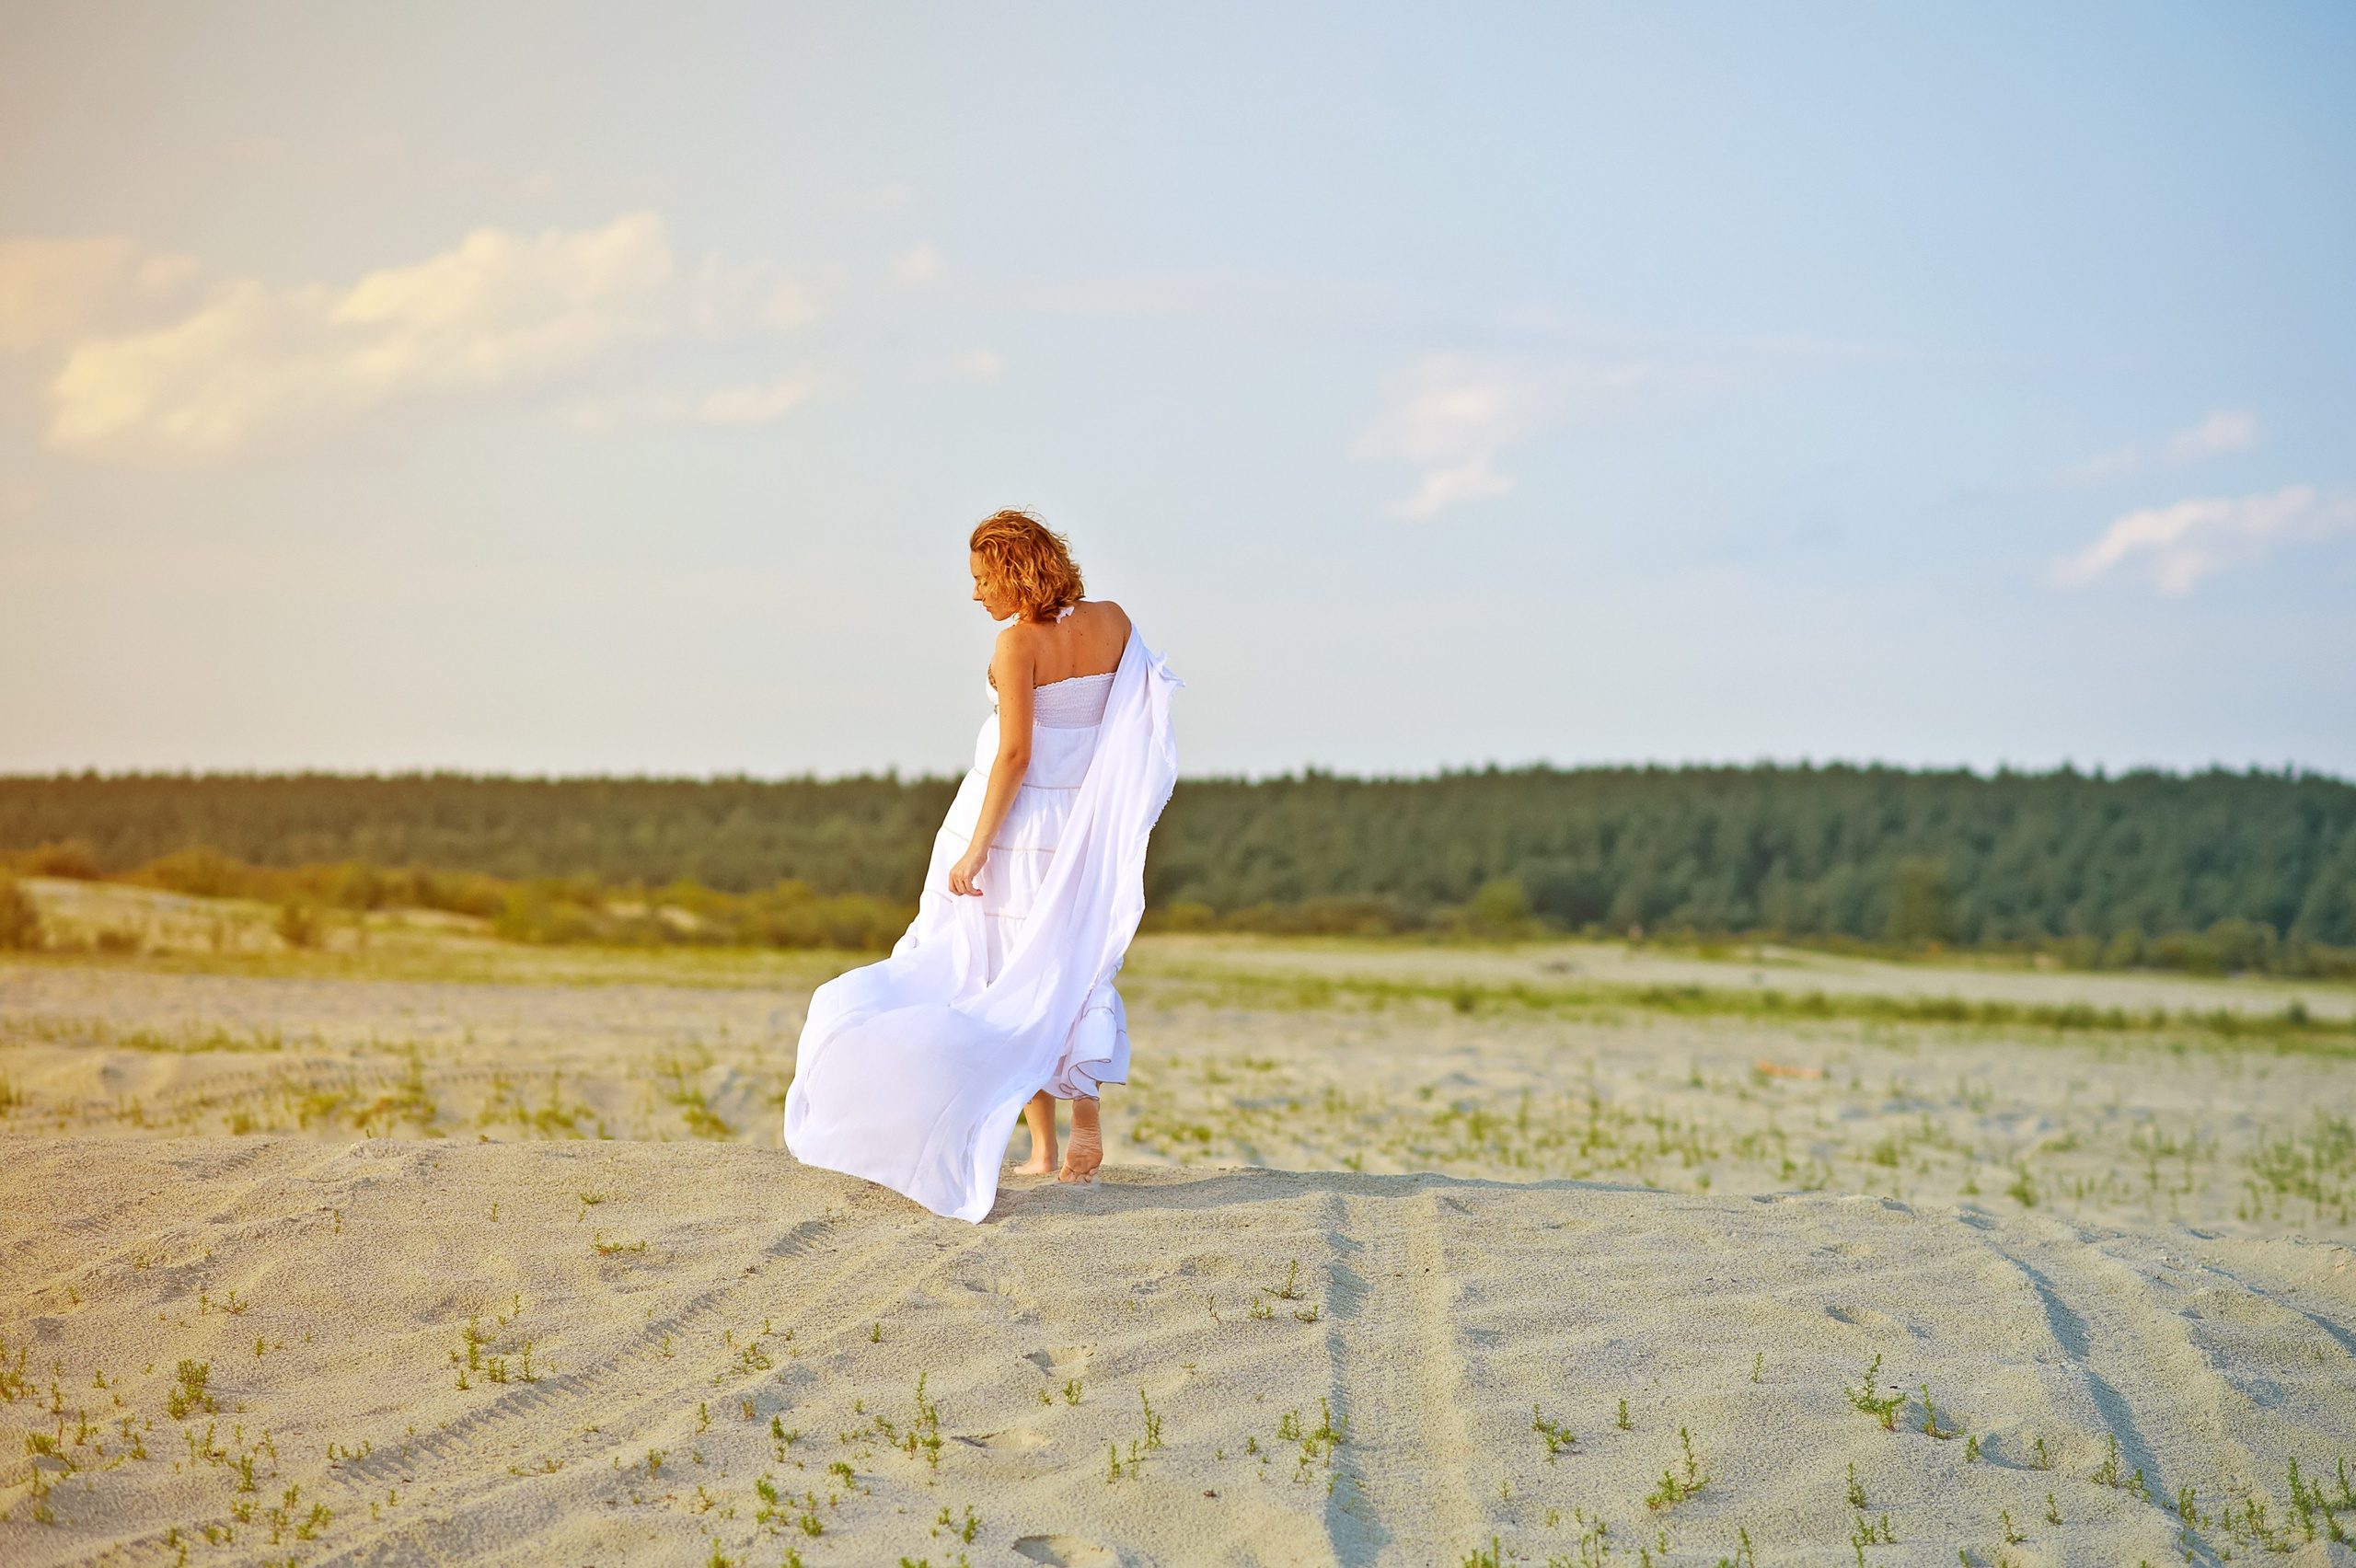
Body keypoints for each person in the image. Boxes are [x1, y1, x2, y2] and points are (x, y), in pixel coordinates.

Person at [781, 510, 1181, 1222]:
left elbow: (1016, 756)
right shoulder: (1115, 622)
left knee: (1002, 973)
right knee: (1066, 968)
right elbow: (1135, 723)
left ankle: (1039, 1141)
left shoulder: (1017, 643)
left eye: (980, 578)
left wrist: (975, 847)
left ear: (1012, 569)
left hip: (1019, 830)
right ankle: (1068, 1129)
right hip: (1081, 831)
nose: (975, 595)